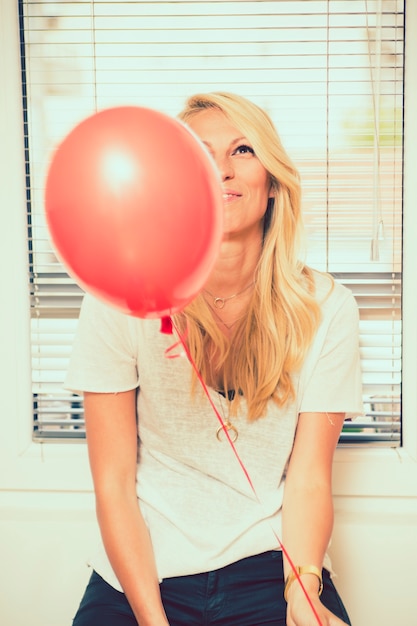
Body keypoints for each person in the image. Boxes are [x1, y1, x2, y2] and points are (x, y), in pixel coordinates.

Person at [65, 92, 363, 626]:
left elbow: (310, 478)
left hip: (273, 565)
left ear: (272, 183)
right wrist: (153, 619)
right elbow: (112, 483)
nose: (221, 171)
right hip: (143, 566)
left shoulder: (327, 308)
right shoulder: (117, 298)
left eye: (243, 151)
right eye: (199, 156)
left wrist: (302, 592)